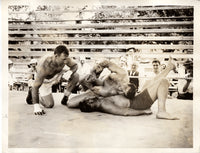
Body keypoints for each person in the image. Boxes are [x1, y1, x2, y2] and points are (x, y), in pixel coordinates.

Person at [67, 57, 179, 120]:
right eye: (89, 102)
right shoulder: (103, 104)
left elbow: (109, 64)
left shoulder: (105, 91)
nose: (90, 100)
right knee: (163, 81)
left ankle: (170, 67)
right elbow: (124, 112)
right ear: (91, 104)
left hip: (136, 98)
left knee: (153, 81)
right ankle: (162, 111)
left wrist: (99, 67)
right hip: (137, 104)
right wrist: (143, 111)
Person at [29, 45, 79, 115]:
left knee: (76, 76)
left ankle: (65, 97)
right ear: (56, 56)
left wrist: (69, 72)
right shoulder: (44, 65)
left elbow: (75, 65)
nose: (65, 62)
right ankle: (32, 93)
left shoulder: (65, 58)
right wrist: (36, 107)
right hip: (45, 81)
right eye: (63, 59)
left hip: (58, 75)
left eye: (66, 59)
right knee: (49, 105)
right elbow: (35, 86)